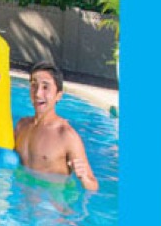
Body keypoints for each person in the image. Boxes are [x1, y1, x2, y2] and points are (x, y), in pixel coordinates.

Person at [14, 62, 99, 191]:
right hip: (22, 198)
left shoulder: (66, 136)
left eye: (45, 87)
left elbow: (93, 186)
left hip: (50, 201)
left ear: (58, 95)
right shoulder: (22, 126)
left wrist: (83, 178)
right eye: (34, 85)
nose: (38, 93)